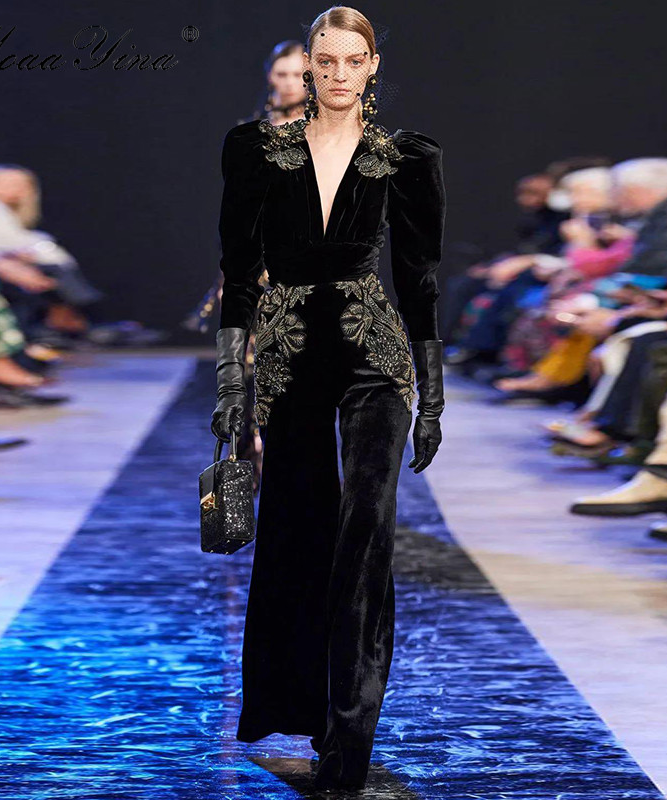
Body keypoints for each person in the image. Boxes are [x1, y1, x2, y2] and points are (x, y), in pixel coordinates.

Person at [209, 6, 446, 791]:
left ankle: (348, 747)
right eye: (326, 60)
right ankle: (312, 723)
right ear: (306, 67)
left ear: (373, 65)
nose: (339, 73)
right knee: (300, 533)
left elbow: (419, 277)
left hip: (375, 356)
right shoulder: (254, 149)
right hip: (287, 359)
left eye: (354, 59)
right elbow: (238, 273)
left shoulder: (406, 156)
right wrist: (231, 381)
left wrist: (433, 392)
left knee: (366, 536)